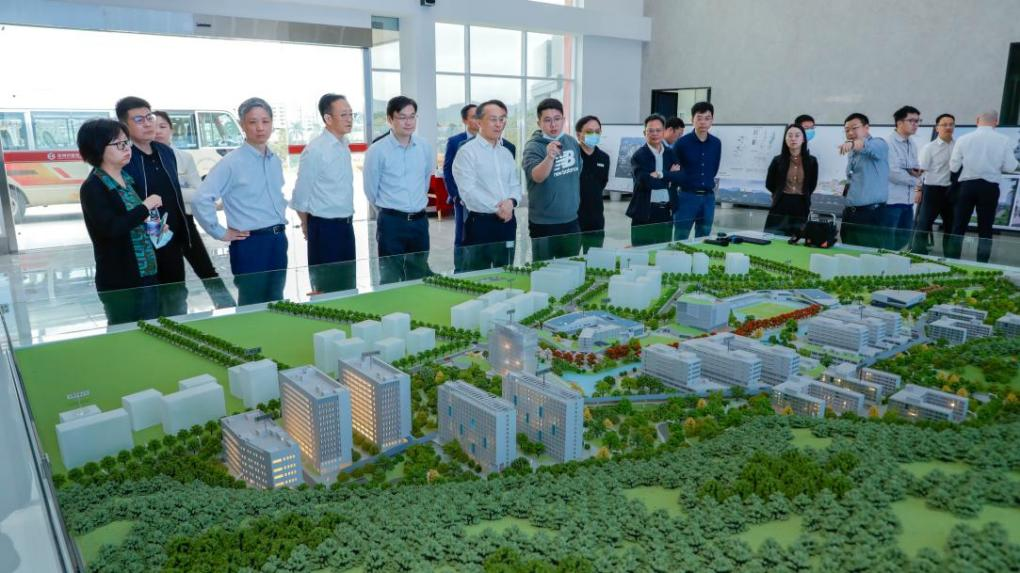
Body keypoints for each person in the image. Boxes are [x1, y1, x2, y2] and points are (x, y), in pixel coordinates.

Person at [194, 97, 288, 306]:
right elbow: (201, 198)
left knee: (277, 301)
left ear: (272, 123)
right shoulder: (231, 162)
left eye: (265, 121)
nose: (260, 127)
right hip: (250, 243)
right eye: (253, 122)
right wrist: (219, 232)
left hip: (278, 240)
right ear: (242, 125)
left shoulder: (274, 160)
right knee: (252, 304)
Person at [76, 118, 163, 324]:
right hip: (120, 277)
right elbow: (111, 228)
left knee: (153, 329)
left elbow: (135, 221)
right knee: (125, 334)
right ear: (98, 148)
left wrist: (156, 227)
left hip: (146, 270)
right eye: (118, 144)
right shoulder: (93, 187)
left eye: (127, 142)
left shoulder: (128, 179)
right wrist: (145, 207)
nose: (126, 148)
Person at [116, 96, 193, 316]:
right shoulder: (125, 159)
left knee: (177, 300)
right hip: (143, 245)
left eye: (149, 117)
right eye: (139, 119)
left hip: (171, 240)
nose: (148, 123)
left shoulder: (166, 152)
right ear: (124, 125)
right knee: (150, 307)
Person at [363, 96, 434, 284]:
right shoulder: (377, 150)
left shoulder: (424, 147)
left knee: (419, 272)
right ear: (390, 119)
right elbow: (370, 189)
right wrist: (388, 212)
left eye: (412, 116)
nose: (408, 122)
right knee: (391, 276)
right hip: (391, 223)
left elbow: (425, 180)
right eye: (402, 117)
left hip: (419, 222)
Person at [291, 93, 358, 294]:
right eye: (343, 115)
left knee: (347, 285)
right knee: (326, 288)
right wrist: (306, 225)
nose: (349, 119)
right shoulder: (316, 150)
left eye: (351, 114)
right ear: (328, 118)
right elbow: (300, 196)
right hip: (325, 228)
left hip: (346, 226)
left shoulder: (343, 144)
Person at [452, 100, 522, 271]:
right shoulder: (467, 152)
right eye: (493, 119)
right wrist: (498, 208)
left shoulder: (506, 153)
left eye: (502, 119)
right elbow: (468, 191)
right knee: (477, 275)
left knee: (506, 273)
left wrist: (511, 202)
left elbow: (515, 184)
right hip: (480, 224)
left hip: (507, 222)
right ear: (478, 122)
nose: (499, 124)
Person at [948, 110, 1019, 262]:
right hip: (989, 187)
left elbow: (953, 167)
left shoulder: (963, 139)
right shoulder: (1004, 140)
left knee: (958, 225)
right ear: (996, 122)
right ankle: (983, 262)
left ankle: (952, 260)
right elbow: (1010, 167)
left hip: (967, 185)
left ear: (977, 120)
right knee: (986, 228)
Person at [523, 98, 582, 261]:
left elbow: (577, 173)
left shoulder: (571, 142)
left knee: (571, 267)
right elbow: (537, 176)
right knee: (544, 270)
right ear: (539, 123)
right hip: (544, 224)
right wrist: (549, 157)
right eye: (547, 120)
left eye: (557, 119)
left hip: (571, 220)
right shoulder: (533, 146)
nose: (553, 125)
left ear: (563, 120)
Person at [627, 114, 682, 246]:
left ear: (664, 132)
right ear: (644, 133)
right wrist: (669, 176)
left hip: (666, 210)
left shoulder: (670, 153)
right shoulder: (639, 156)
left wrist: (660, 175)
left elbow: (679, 177)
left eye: (658, 130)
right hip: (645, 211)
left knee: (663, 249)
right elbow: (646, 182)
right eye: (650, 130)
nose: (655, 134)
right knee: (641, 251)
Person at [672, 101, 721, 240]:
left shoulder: (716, 143)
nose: (703, 122)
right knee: (681, 236)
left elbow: (714, 168)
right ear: (692, 119)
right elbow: (675, 171)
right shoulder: (682, 143)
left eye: (707, 118)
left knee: (704, 237)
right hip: (686, 197)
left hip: (708, 198)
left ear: (712, 120)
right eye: (699, 118)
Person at [839, 112, 889, 248]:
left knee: (868, 254)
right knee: (847, 251)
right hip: (850, 213)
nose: (850, 133)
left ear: (866, 128)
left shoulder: (879, 143)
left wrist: (853, 144)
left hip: (871, 214)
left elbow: (867, 147)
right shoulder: (852, 151)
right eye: (847, 130)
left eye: (854, 128)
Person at [912, 113, 956, 255]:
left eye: (951, 124)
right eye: (944, 125)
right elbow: (920, 171)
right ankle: (917, 254)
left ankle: (950, 257)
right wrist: (918, 190)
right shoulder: (929, 148)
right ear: (937, 128)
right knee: (924, 224)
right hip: (932, 190)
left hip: (952, 191)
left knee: (951, 227)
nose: (948, 127)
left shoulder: (958, 146)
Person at [763, 124, 818, 239]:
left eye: (797, 135)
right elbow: (769, 183)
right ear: (785, 139)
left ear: (803, 139)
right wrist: (778, 192)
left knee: (798, 239)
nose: (793, 138)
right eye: (790, 135)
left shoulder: (811, 161)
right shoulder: (777, 160)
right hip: (781, 203)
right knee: (773, 237)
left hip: (801, 204)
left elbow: (812, 185)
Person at [443, 104, 478, 272]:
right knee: (461, 235)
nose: (478, 119)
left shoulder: (489, 139)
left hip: (483, 198)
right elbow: (447, 170)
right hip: (462, 199)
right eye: (473, 116)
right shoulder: (455, 141)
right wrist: (456, 195)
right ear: (465, 120)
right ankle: (460, 271)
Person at [885, 106, 923, 251]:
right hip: (892, 201)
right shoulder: (889, 143)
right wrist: (916, 180)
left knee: (904, 238)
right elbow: (893, 173)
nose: (915, 124)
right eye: (911, 120)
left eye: (917, 121)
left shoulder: (912, 144)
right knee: (888, 241)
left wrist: (914, 174)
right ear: (899, 122)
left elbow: (915, 168)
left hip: (908, 201)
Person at [576, 115, 610, 252]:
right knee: (571, 258)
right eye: (589, 132)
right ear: (579, 134)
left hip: (596, 218)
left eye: (597, 131)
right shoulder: (572, 156)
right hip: (573, 218)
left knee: (594, 257)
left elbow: (602, 183)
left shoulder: (604, 158)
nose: (594, 135)